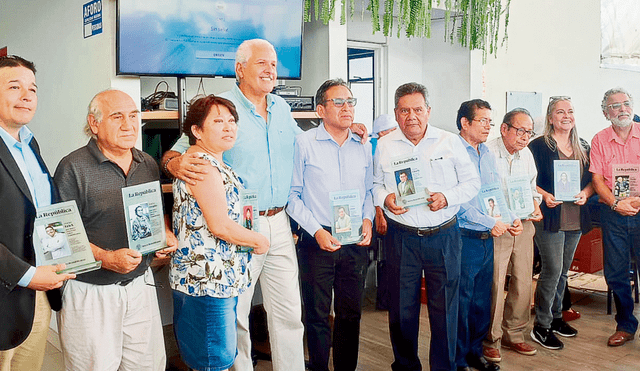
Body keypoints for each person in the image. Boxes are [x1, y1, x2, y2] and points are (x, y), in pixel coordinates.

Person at [53, 89, 178, 370]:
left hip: (140, 287)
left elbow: (156, 213)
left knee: (148, 365)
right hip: (90, 291)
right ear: (94, 124)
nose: (128, 124)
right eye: (117, 116)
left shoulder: (146, 163)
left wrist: (165, 234)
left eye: (134, 115)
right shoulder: (72, 167)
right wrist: (106, 258)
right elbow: (59, 238)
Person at [373, 82, 480, 371]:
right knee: (401, 310)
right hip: (401, 238)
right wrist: (386, 198)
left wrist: (447, 198)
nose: (412, 116)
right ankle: (406, 365)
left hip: (443, 236)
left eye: (418, 109)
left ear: (428, 111)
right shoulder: (384, 145)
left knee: (446, 309)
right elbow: (374, 184)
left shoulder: (449, 141)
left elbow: (472, 183)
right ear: (396, 114)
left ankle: (444, 367)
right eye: (405, 110)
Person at [171, 95, 270, 371]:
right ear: (197, 131)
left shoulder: (213, 162)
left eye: (231, 121)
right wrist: (259, 241)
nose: (228, 127)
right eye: (217, 121)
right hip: (207, 283)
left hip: (216, 280)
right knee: (213, 360)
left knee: (214, 358)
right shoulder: (201, 164)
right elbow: (220, 225)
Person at [287, 78, 374, 371]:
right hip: (318, 239)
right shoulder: (304, 143)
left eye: (350, 102)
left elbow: (370, 190)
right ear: (320, 110)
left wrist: (368, 219)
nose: (347, 108)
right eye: (339, 102)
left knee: (351, 314)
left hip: (355, 241)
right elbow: (293, 196)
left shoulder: (363, 145)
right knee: (317, 313)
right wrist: (317, 230)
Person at [0, 55, 75, 371]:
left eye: (32, 88)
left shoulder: (30, 145)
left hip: (38, 298)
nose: (27, 95)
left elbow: (43, 213)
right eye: (14, 86)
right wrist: (29, 276)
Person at [455, 99, 522, 371]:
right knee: (461, 302)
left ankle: (474, 352)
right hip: (464, 237)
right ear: (464, 123)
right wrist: (488, 222)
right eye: (483, 121)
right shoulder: (452, 151)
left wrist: (509, 218)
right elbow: (456, 202)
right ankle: (457, 360)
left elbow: (493, 193)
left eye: (489, 122)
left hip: (487, 238)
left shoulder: (487, 153)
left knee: (483, 301)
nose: (488, 127)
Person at [528, 96, 594, 350]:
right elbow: (526, 178)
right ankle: (541, 326)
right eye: (560, 112)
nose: (566, 116)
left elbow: (592, 180)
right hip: (550, 218)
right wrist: (544, 195)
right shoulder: (538, 146)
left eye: (570, 111)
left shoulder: (583, 146)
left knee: (564, 273)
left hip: (575, 218)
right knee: (552, 271)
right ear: (550, 117)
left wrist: (586, 193)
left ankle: (556, 317)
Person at [483, 108, 543, 362]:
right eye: (520, 131)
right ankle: (491, 338)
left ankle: (515, 334)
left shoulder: (526, 154)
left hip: (524, 225)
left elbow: (531, 188)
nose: (525, 137)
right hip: (498, 227)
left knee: (522, 281)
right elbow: (484, 193)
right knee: (496, 284)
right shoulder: (486, 152)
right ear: (504, 128)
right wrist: (505, 220)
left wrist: (535, 205)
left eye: (529, 132)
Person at [590, 87, 640, 347]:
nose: (622, 109)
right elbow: (597, 179)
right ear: (605, 112)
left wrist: (636, 201)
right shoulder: (599, 139)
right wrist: (616, 203)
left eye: (626, 103)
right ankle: (625, 325)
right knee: (616, 273)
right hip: (613, 214)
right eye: (615, 105)